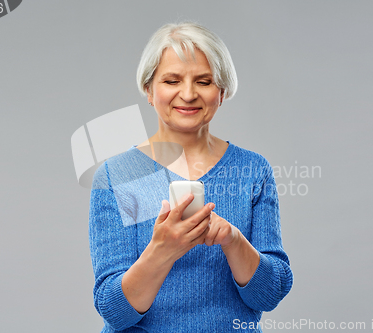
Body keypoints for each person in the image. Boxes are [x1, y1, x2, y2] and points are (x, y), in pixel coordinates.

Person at [89, 22, 293, 332]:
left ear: (221, 92)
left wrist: (233, 241)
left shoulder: (253, 170)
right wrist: (162, 250)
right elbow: (115, 313)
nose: (188, 94)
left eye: (204, 81)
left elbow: (269, 294)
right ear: (149, 89)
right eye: (171, 80)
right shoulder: (116, 175)